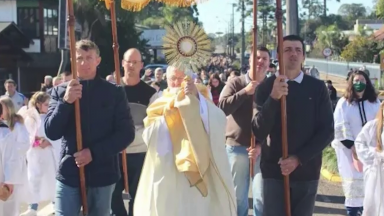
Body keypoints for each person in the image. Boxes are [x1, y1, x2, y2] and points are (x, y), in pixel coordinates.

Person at [44, 39, 135, 216]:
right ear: (73, 60)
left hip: (103, 172)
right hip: (69, 170)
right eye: (79, 58)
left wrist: (93, 153)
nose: (84, 63)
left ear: (98, 60)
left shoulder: (114, 92)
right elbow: (51, 131)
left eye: (89, 57)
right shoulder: (60, 92)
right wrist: (66, 102)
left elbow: (126, 133)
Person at [134, 65, 236, 216]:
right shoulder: (159, 99)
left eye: (180, 78)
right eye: (172, 79)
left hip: (196, 164)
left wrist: (195, 100)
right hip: (166, 163)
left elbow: (218, 120)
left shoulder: (201, 95)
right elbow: (148, 132)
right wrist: (167, 116)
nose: (175, 83)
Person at [251, 35, 334, 216]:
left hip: (307, 171)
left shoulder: (317, 88)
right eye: (287, 50)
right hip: (274, 171)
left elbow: (327, 131)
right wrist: (273, 98)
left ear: (304, 56)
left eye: (298, 50)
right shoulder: (265, 88)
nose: (293, 54)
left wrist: (298, 159)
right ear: (278, 55)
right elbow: (258, 129)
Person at [218, 46, 270, 216]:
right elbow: (222, 107)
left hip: (263, 150)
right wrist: (245, 92)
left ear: (269, 64)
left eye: (264, 58)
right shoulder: (236, 82)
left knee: (261, 197)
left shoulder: (272, 87)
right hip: (237, 147)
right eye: (257, 58)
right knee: (238, 198)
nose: (260, 61)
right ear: (249, 61)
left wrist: (261, 145)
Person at [111, 48, 157, 216]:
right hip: (115, 152)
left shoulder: (150, 94)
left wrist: (132, 136)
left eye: (135, 62)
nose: (131, 65)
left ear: (141, 66)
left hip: (139, 152)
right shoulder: (112, 90)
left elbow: (153, 124)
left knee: (138, 196)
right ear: (122, 63)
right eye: (128, 61)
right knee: (113, 197)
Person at [331, 70, 379, 216]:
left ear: (367, 82)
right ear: (351, 83)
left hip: (371, 151)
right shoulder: (344, 104)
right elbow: (340, 126)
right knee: (353, 187)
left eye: (362, 80)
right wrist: (354, 148)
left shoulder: (375, 102)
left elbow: (379, 124)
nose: (359, 83)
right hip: (349, 151)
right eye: (356, 80)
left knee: (372, 187)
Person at [19, 92, 62, 216]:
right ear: (38, 104)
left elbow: (57, 135)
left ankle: (56, 203)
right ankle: (33, 206)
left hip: (49, 153)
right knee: (33, 178)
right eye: (46, 104)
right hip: (34, 154)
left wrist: (49, 142)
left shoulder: (51, 117)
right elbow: (25, 135)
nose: (48, 107)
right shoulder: (30, 118)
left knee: (52, 177)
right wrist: (36, 141)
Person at [0, 96, 29, 216]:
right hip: (6, 173)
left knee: (8, 207)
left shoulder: (15, 126)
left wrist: (9, 180)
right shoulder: (5, 133)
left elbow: (23, 145)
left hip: (6, 175)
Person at [355, 102, 384, 216]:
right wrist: (374, 157)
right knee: (373, 204)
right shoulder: (373, 126)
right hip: (375, 172)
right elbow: (359, 143)